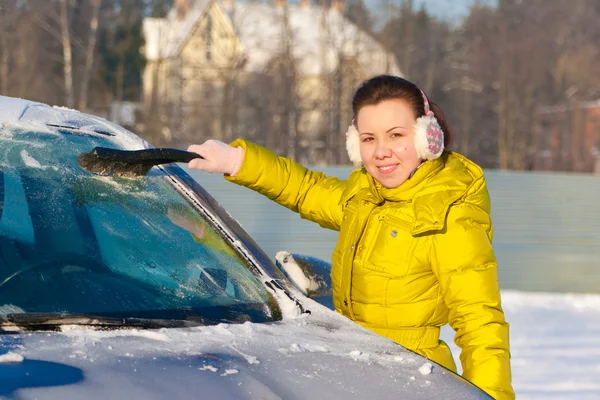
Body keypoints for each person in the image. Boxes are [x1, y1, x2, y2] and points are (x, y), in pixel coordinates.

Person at [187, 75, 514, 400]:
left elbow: (480, 326)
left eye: (396, 135)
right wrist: (237, 161)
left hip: (411, 380)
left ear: (426, 137)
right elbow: (304, 189)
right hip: (352, 368)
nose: (382, 152)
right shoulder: (365, 199)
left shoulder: (449, 214)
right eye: (369, 139)